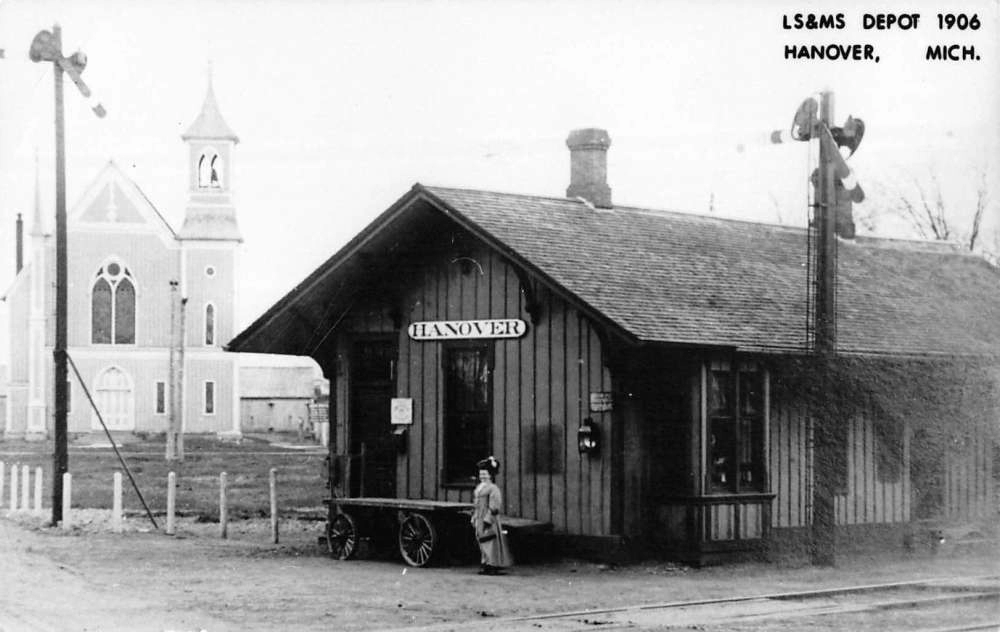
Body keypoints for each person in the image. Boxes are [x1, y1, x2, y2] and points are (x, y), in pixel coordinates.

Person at [471, 456, 511, 575]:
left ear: (491, 475)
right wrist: (474, 516)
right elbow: (477, 504)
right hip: (479, 515)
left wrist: (488, 519)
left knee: (490, 541)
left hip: (488, 518)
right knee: (481, 540)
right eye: (481, 473)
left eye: (485, 474)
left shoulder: (493, 489)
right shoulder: (480, 487)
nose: (482, 476)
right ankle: (485, 562)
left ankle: (493, 564)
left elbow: (494, 506)